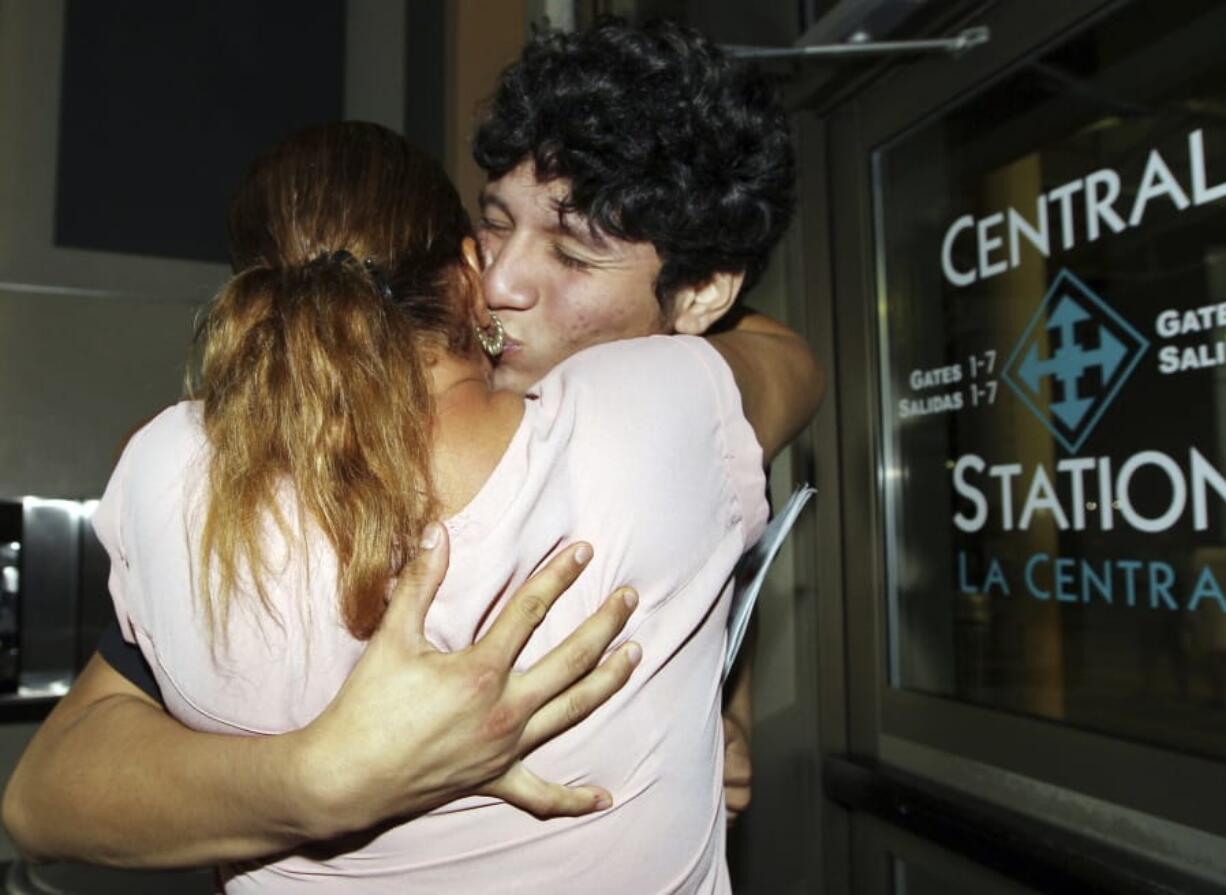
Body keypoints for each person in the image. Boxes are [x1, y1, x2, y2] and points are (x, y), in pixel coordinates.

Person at [3, 16, 809, 871]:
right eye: (495, 223)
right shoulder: (308, 441)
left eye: (572, 256)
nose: (499, 281)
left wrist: (719, 693)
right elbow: (49, 789)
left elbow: (727, 473)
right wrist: (315, 778)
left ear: (699, 298)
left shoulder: (676, 439)